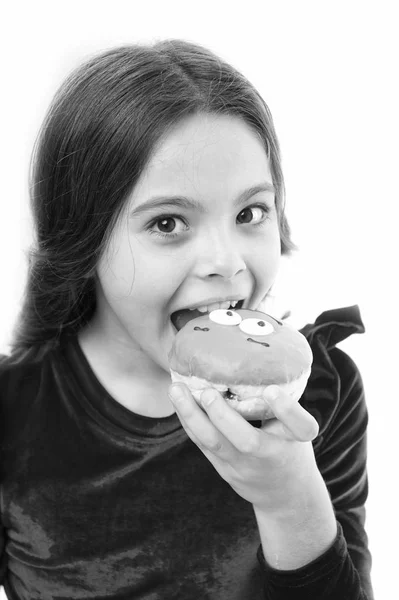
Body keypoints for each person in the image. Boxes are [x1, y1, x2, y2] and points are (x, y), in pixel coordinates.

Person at [0, 39, 374, 599]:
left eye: (251, 213)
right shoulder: (12, 412)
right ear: (84, 242)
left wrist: (291, 502)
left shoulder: (320, 390)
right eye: (169, 223)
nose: (226, 262)